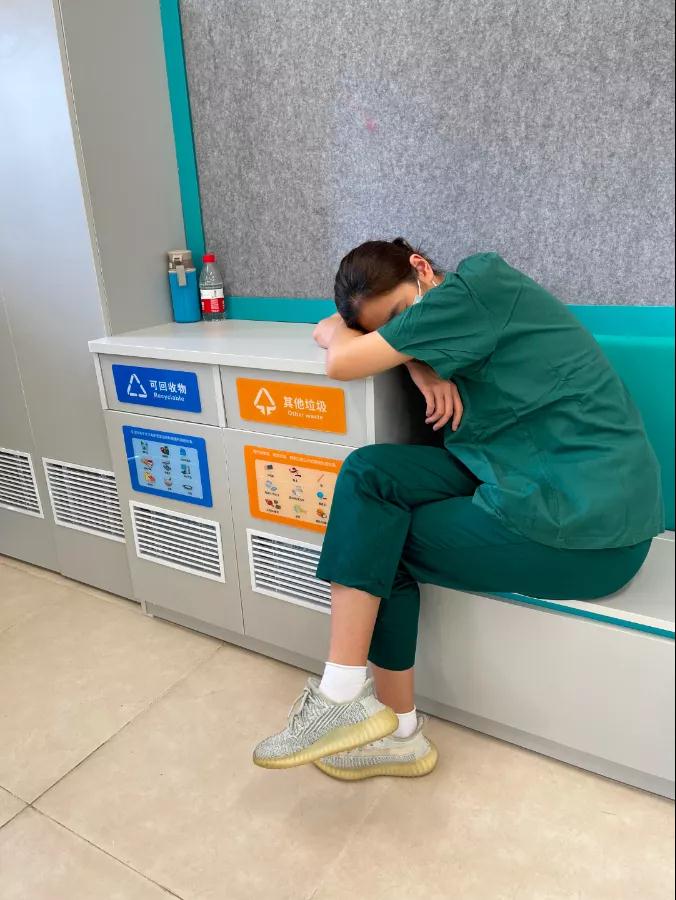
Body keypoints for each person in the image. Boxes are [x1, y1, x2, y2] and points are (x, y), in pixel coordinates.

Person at [253, 239, 664, 780]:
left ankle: (381, 723)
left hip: (592, 524)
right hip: (514, 470)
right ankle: (358, 704)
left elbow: (342, 359)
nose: (403, 332)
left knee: (380, 540)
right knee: (368, 475)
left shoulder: (476, 288)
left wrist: (406, 354)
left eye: (401, 315)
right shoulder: (450, 311)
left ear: (421, 268)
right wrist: (416, 363)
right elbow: (328, 328)